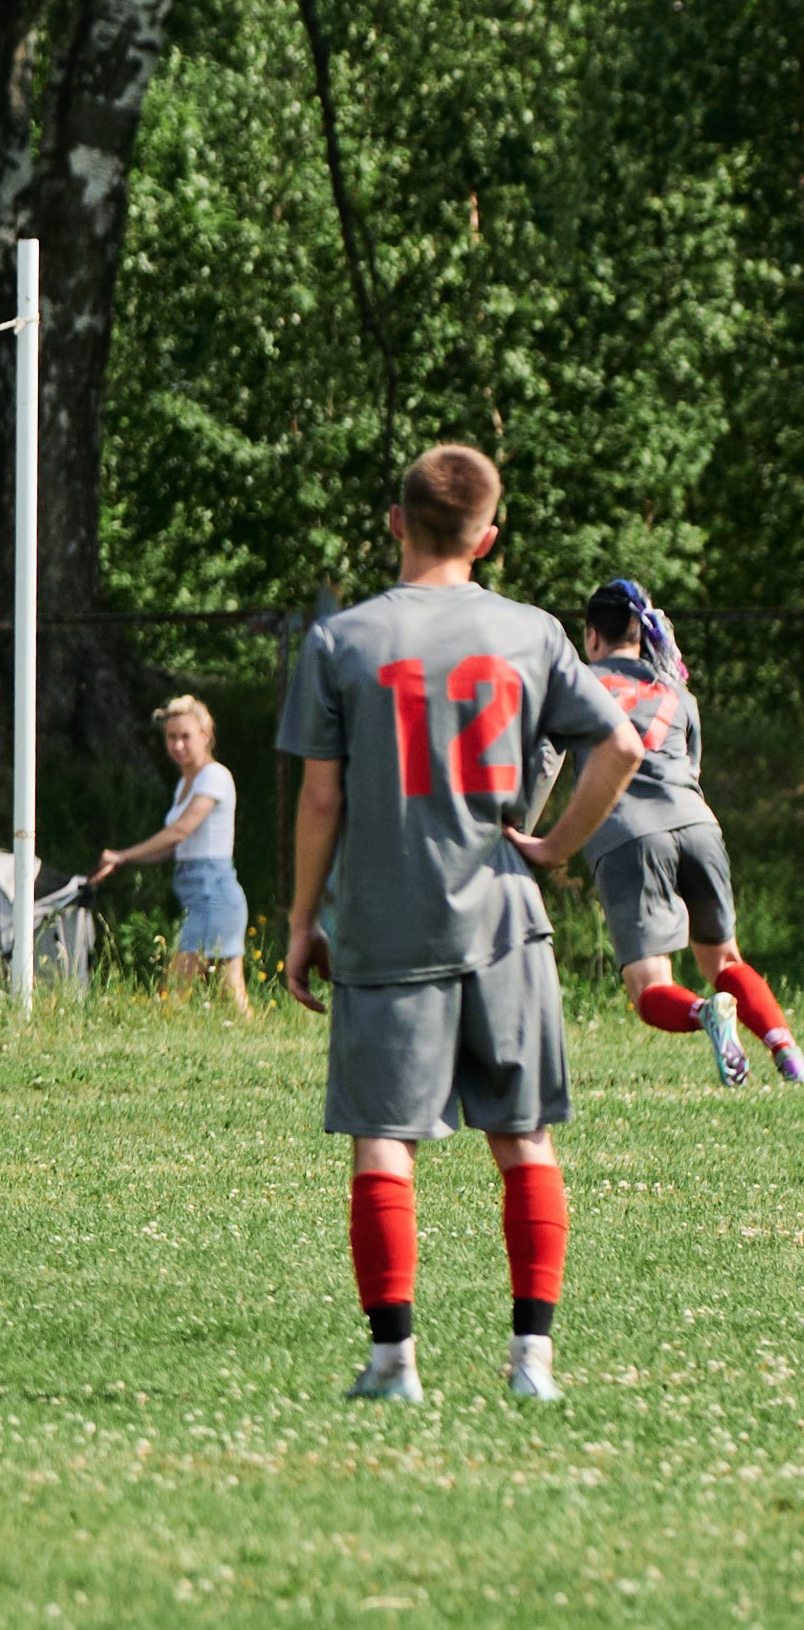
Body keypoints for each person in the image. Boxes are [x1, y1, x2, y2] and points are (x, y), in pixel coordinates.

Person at [280, 444, 640, 1402]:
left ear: (396, 523)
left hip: (386, 922)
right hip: (505, 923)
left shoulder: (343, 640)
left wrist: (303, 920)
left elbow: (321, 800)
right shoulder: (533, 633)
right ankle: (533, 1363)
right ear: (488, 538)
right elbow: (621, 743)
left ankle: (393, 1363)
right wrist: (556, 846)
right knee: (523, 1137)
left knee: (383, 1139)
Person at [543, 580, 797, 1086]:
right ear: (641, 633)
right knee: (725, 959)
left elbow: (546, 759)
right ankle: (788, 1052)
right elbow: (692, 766)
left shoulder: (581, 685)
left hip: (629, 835)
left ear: (591, 635)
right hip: (698, 823)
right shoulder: (674, 688)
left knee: (648, 985)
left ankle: (706, 1013)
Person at [90, 695, 251, 1014]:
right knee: (232, 992)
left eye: (185, 736)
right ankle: (255, 1038)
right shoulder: (185, 784)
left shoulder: (214, 776)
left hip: (213, 894)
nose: (177, 745)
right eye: (171, 737)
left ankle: (161, 1035)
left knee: (176, 990)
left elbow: (180, 831)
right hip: (202, 895)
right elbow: (173, 849)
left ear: (205, 735)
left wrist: (122, 855)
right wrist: (124, 861)